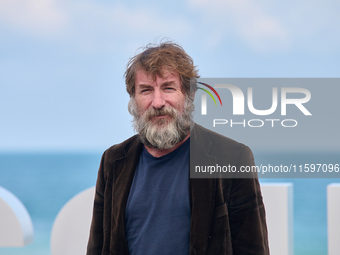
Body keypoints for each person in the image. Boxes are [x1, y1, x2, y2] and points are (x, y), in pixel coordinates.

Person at [86, 41, 269, 255]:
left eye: (168, 88)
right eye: (146, 90)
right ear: (134, 99)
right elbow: (98, 248)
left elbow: (253, 249)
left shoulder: (232, 157)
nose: (158, 102)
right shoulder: (114, 160)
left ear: (189, 94)